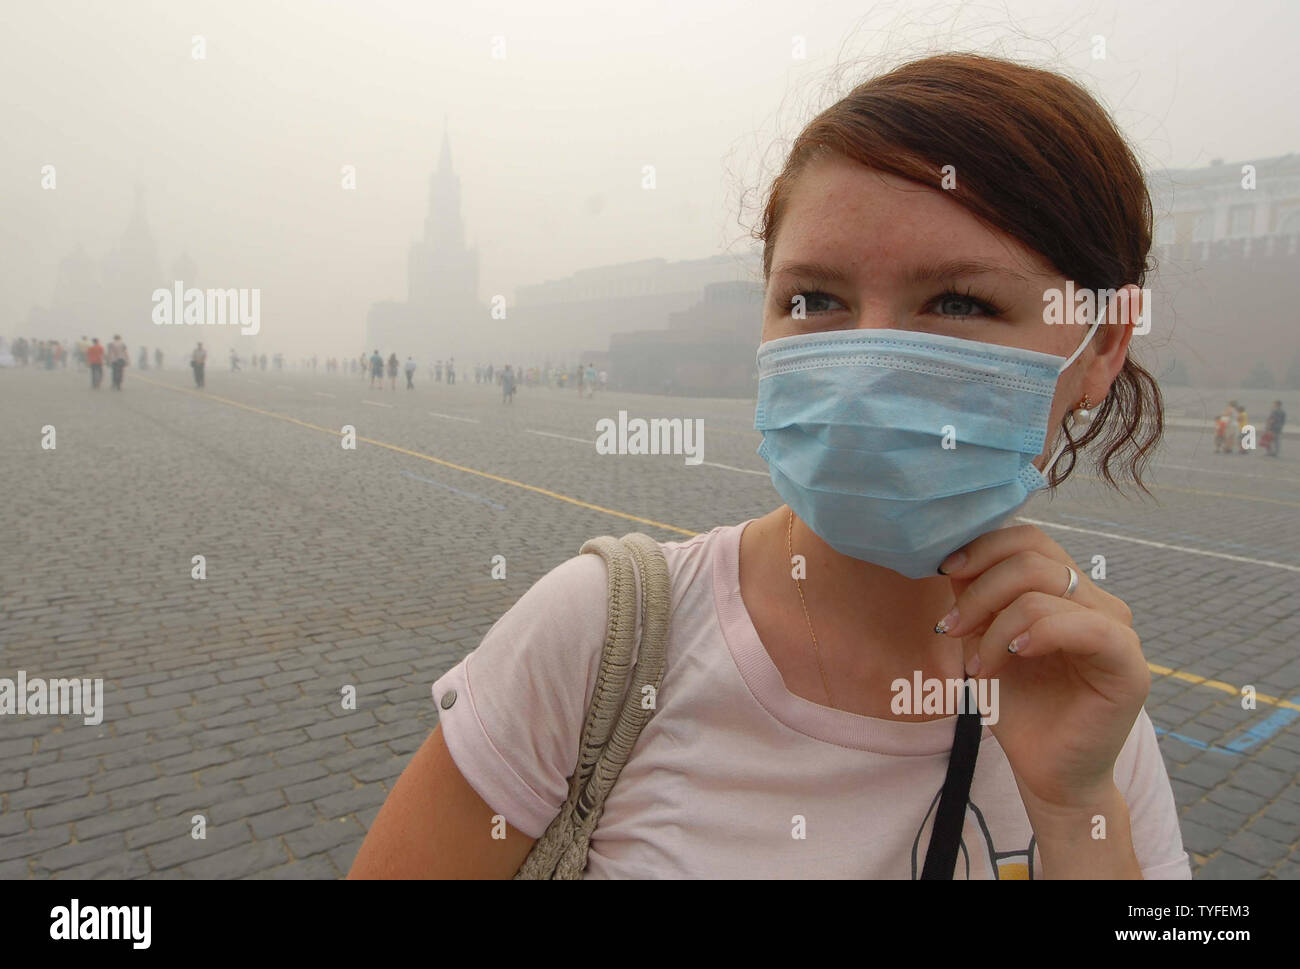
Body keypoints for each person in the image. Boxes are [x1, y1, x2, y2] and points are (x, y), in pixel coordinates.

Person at [352, 53, 1189, 880]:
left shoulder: (1099, 715)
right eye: (814, 300)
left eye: (959, 302)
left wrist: (1080, 819)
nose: (864, 366)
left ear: (1102, 344)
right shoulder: (596, 638)